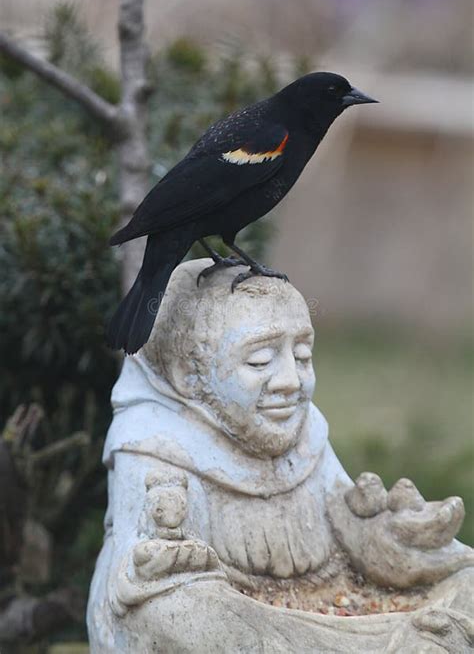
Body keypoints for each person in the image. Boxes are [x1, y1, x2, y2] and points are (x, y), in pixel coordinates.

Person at [87, 259, 473, 654]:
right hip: (233, 616)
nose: (291, 381)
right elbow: (147, 582)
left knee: (468, 583)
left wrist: (387, 539)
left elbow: (345, 524)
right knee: (174, 613)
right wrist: (164, 560)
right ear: (189, 375)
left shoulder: (302, 429)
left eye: (303, 356)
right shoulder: (155, 441)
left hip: (325, 597)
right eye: (258, 362)